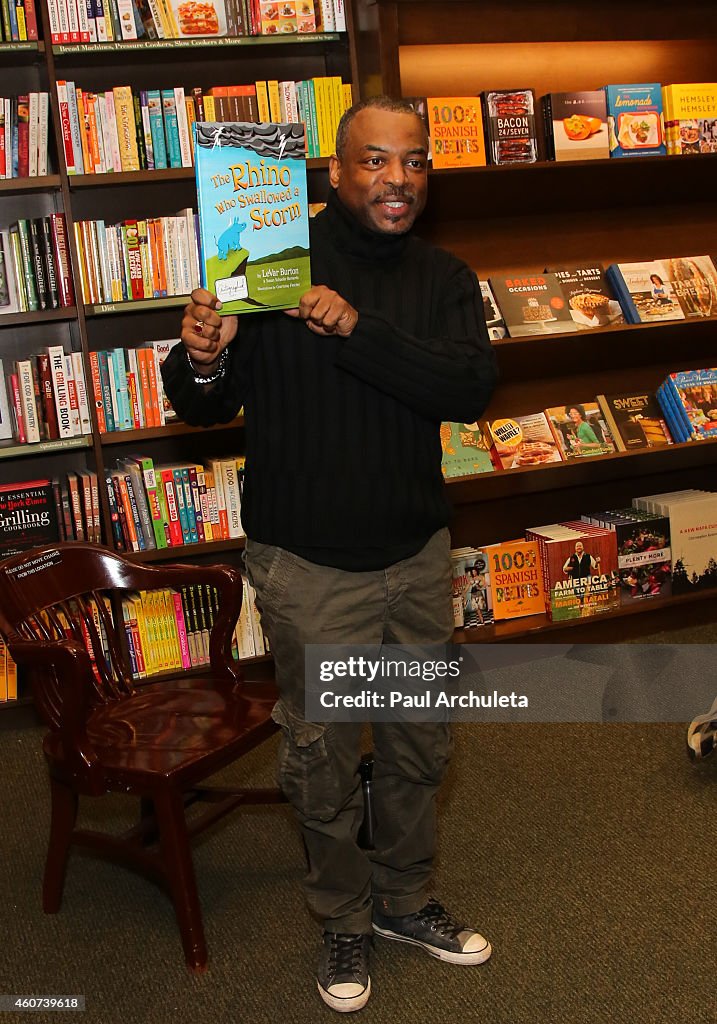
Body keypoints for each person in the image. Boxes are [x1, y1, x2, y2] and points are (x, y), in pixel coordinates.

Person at [161, 96, 498, 1014]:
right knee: (318, 754)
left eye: (415, 163)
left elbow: (467, 386)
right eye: (375, 162)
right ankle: (343, 914)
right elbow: (198, 404)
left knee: (416, 745)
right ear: (336, 171)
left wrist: (356, 330)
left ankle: (403, 900)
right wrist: (200, 356)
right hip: (307, 565)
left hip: (416, 553)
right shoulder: (264, 263)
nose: (398, 180)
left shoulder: (443, 276)